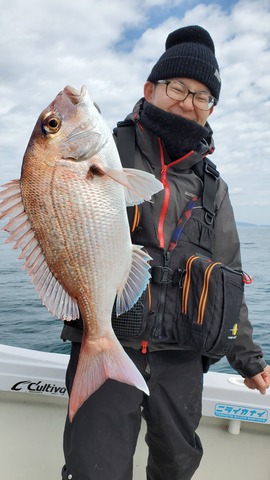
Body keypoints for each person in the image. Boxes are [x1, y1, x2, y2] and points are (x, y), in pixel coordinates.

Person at [61, 25, 270, 480]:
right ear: (150, 88)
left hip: (182, 353)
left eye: (202, 95)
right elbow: (55, 205)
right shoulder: (104, 151)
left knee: (176, 466)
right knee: (93, 469)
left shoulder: (214, 186)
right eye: (178, 87)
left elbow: (229, 275)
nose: (188, 101)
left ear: (211, 107)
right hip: (109, 337)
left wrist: (248, 359)